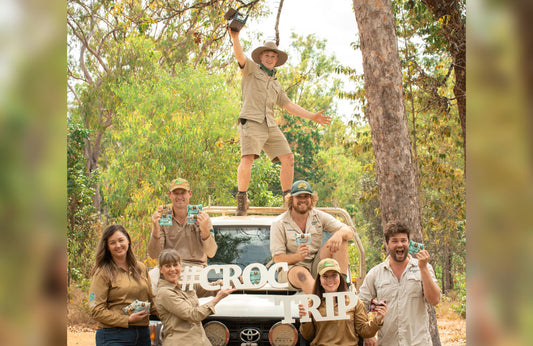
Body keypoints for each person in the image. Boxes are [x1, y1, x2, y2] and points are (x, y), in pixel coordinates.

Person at [227, 27, 332, 215]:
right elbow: (240, 55)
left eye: (272, 56)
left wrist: (312, 116)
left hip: (270, 125)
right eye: (266, 55)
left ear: (276, 60)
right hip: (251, 121)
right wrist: (235, 37)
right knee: (248, 158)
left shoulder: (276, 84)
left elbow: (288, 105)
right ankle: (242, 200)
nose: (269, 58)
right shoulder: (251, 69)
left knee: (288, 158)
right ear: (260, 57)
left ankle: (287, 199)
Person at [358, 221, 441, 346]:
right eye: (394, 241)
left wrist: (423, 268)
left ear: (409, 243)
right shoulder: (376, 273)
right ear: (387, 244)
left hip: (418, 343)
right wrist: (367, 333)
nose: (400, 244)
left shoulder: (425, 268)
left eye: (403, 240)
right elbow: (361, 304)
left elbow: (434, 300)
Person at [270, 180, 354, 294]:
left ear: (311, 199)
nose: (303, 200)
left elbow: (350, 232)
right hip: (291, 269)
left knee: (342, 238)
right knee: (302, 274)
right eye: (299, 196)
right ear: (291, 199)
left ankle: (342, 291)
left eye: (306, 196)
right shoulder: (279, 223)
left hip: (316, 265)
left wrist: (338, 234)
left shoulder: (318, 216)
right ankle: (321, 304)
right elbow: (278, 259)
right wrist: (298, 256)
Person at [89, 224, 156, 346]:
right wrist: (127, 320)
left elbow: (152, 301)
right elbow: (96, 310)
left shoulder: (140, 268)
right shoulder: (102, 272)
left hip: (143, 334)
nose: (118, 245)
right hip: (113, 335)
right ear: (107, 247)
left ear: (128, 241)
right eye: (112, 243)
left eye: (121, 240)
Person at [147, 178, 217, 291]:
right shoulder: (163, 218)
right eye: (176, 193)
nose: (179, 196)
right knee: (149, 283)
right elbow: (153, 254)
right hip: (168, 267)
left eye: (183, 192)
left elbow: (211, 252)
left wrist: (205, 230)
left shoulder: (202, 217)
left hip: (195, 267)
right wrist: (155, 229)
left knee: (190, 288)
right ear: (170, 195)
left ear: (190, 194)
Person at [154, 249, 236, 345]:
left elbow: (211, 287)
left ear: (181, 266)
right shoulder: (165, 293)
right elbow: (193, 315)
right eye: (168, 266)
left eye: (175, 265)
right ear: (160, 269)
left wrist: (241, 281)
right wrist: (217, 299)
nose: (172, 269)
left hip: (200, 341)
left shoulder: (185, 286)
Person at [298, 258, 387, 346]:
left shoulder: (354, 302)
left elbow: (364, 332)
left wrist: (377, 320)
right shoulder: (311, 304)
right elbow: (308, 336)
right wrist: (306, 319)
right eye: (325, 276)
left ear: (340, 277)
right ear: (319, 280)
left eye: (334, 275)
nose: (330, 280)